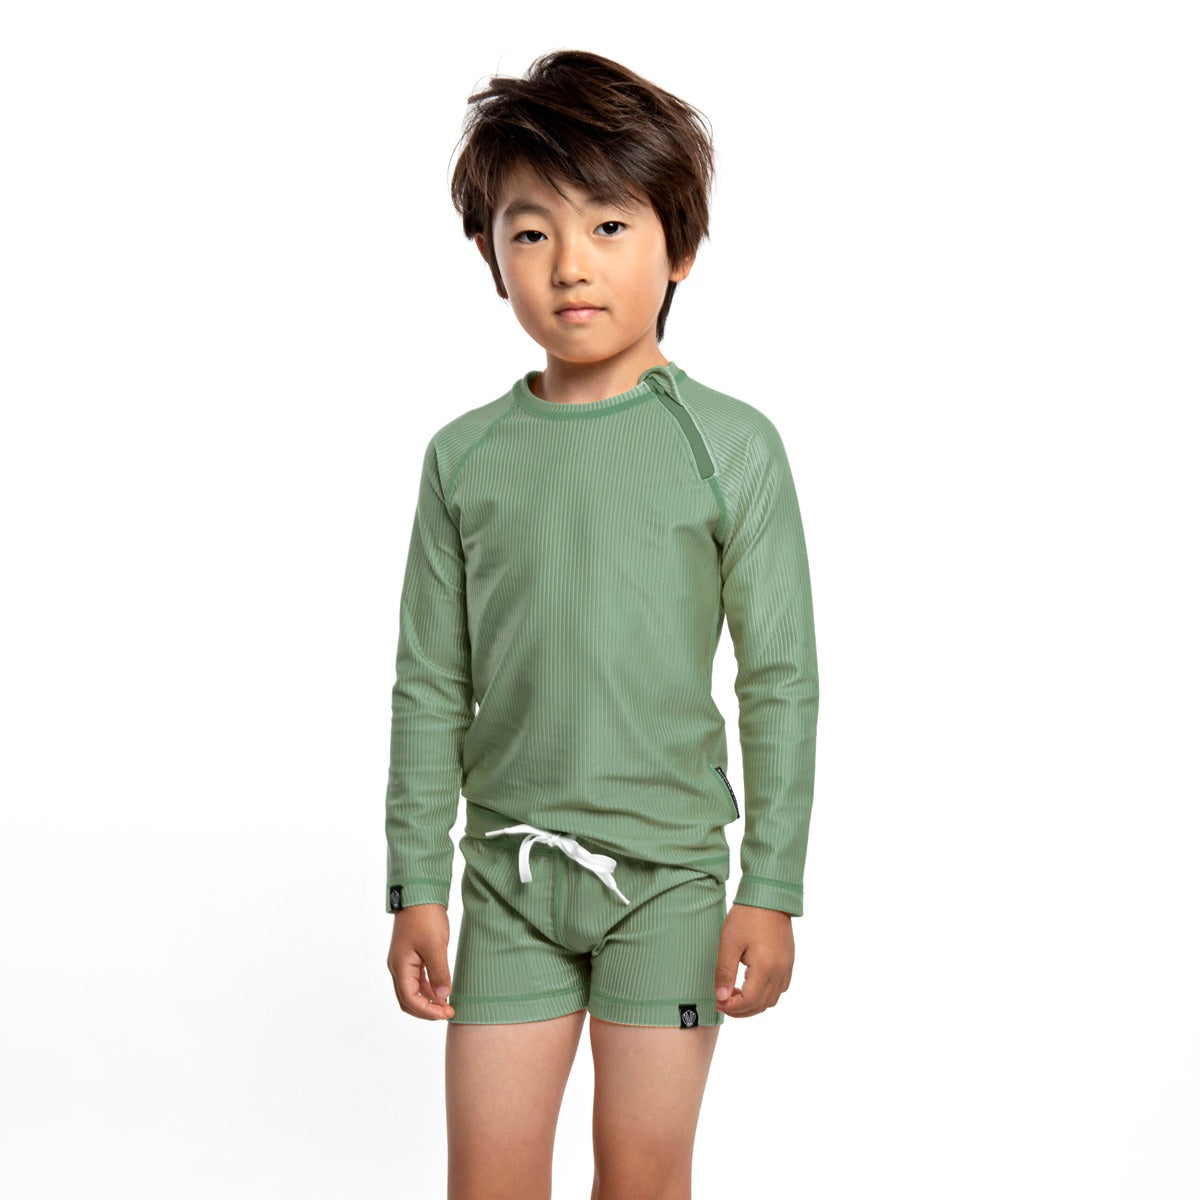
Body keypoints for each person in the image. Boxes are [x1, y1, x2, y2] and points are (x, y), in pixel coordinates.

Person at [383, 49, 819, 1200]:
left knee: (642, 1178)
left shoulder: (731, 447)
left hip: (670, 885)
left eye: (610, 225)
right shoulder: (464, 458)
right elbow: (431, 682)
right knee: (487, 1182)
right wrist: (414, 883)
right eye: (532, 232)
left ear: (679, 247)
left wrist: (771, 887)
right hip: (508, 880)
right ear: (492, 257)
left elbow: (779, 677)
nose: (570, 264)